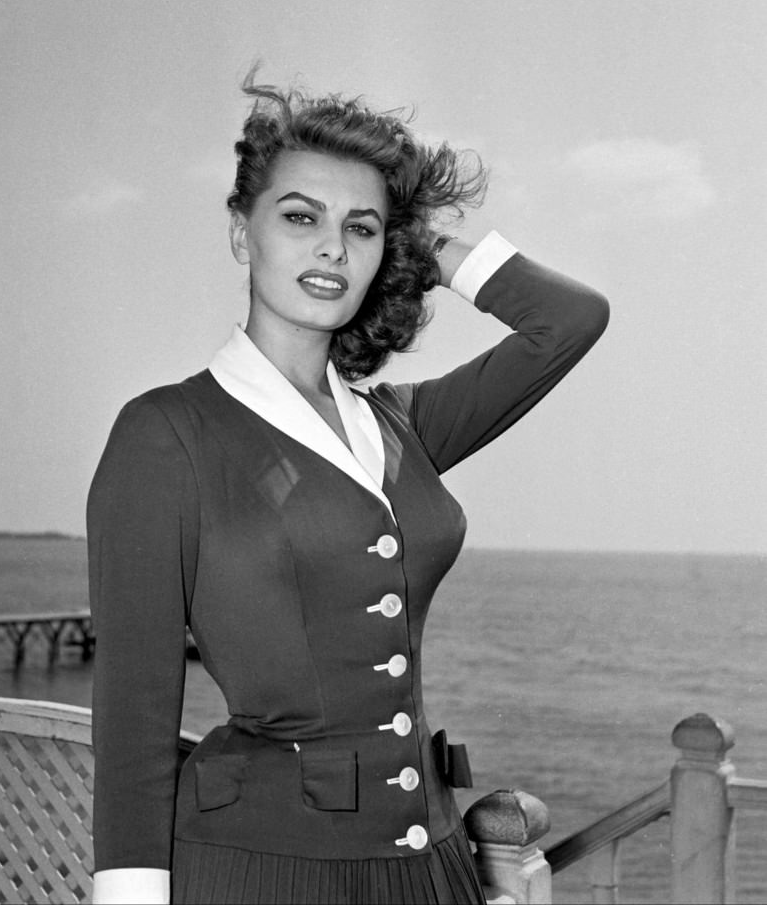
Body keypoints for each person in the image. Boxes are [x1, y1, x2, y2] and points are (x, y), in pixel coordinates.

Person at [87, 73, 609, 905]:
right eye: (299, 218)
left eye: (357, 230)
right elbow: (132, 723)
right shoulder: (166, 435)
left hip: (430, 867)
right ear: (239, 232)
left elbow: (568, 320)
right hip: (260, 870)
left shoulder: (404, 425)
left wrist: (419, 243)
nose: (331, 249)